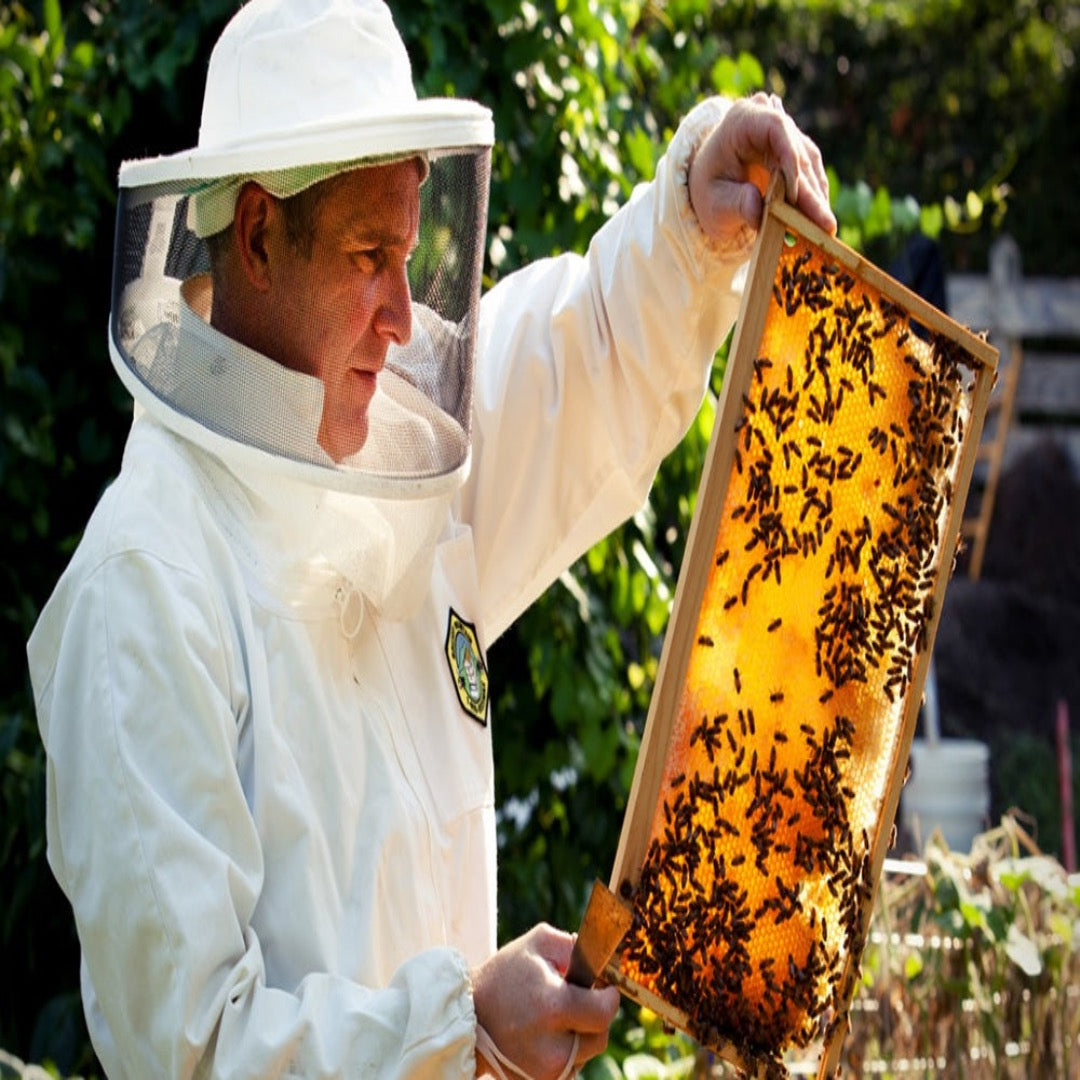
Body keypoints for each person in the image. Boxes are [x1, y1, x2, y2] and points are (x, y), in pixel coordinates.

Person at [26, 1, 836, 1078]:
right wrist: (458, 1026)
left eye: (410, 255)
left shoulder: (403, 445)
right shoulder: (147, 587)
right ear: (260, 232)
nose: (405, 314)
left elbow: (581, 358)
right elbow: (186, 1045)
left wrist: (693, 217)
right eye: (371, 255)